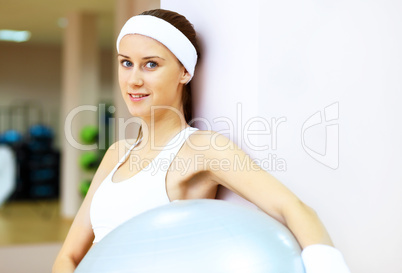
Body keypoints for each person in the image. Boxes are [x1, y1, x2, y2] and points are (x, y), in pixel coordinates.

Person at [53, 9, 350, 273]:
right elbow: (69, 255)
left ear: (184, 71)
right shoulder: (116, 153)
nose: (133, 80)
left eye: (151, 64)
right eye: (126, 63)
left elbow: (294, 208)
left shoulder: (201, 149)